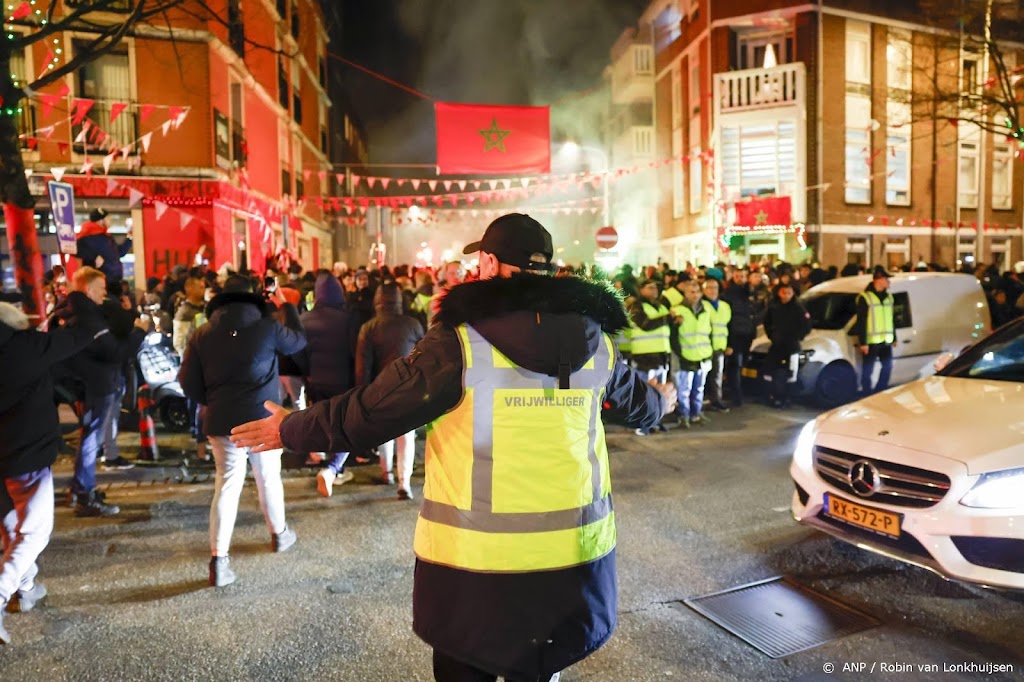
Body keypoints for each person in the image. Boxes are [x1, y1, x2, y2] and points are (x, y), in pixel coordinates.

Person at [230, 213, 674, 682]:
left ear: (488, 263)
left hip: (474, 574)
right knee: (542, 670)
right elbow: (640, 404)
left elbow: (373, 411)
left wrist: (292, 429)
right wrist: (662, 404)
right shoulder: (596, 341)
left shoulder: (462, 343)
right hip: (571, 565)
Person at [178, 275, 307, 588]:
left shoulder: (203, 333)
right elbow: (299, 342)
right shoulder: (267, 327)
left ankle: (219, 560)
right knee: (268, 477)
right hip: (262, 418)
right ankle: (279, 534)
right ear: (254, 300)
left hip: (222, 421)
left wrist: (211, 401)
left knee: (227, 483)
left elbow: (186, 381)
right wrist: (285, 304)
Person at [0, 300, 99, 643]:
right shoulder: (26, 348)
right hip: (26, 456)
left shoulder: (24, 345)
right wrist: (77, 302)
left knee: (12, 527)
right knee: (34, 532)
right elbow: (85, 332)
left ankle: (24, 588)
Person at [51, 267, 148, 516]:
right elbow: (114, 351)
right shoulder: (88, 316)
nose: (104, 294)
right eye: (101, 289)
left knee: (90, 436)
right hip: (98, 382)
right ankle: (85, 494)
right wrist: (139, 332)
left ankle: (80, 489)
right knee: (92, 437)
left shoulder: (74, 310)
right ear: (88, 289)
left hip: (87, 380)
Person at [355, 282, 425, 498]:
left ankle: (387, 472)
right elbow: (424, 357)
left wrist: (362, 393)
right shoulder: (413, 325)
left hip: (380, 387)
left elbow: (362, 365)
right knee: (407, 435)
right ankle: (404, 482)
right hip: (409, 388)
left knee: (384, 433)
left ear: (377, 302)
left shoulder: (369, 327)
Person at [302, 273, 360, 497]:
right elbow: (355, 351)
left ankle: (330, 464)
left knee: (325, 422)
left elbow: (300, 353)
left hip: (316, 381)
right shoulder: (348, 319)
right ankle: (333, 469)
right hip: (342, 381)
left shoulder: (305, 319)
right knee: (345, 426)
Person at [172, 276, 209, 461]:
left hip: (207, 362)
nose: (204, 289)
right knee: (197, 405)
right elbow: (179, 342)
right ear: (189, 289)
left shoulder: (203, 308)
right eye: (200, 286)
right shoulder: (184, 312)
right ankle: (199, 443)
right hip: (195, 365)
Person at [629, 280, 672, 435]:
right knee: (643, 392)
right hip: (644, 356)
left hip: (660, 356)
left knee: (659, 391)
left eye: (655, 288)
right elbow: (645, 325)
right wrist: (667, 318)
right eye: (650, 287)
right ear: (641, 290)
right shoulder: (636, 306)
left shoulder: (660, 306)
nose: (654, 290)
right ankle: (641, 424)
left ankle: (655, 420)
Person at [763, 281, 812, 408]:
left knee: (791, 373)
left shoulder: (798, 308)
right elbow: (767, 323)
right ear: (779, 293)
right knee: (770, 370)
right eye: (783, 292)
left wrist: (797, 337)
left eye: (789, 293)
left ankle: (788, 398)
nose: (786, 295)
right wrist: (772, 336)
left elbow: (807, 325)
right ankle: (772, 396)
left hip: (792, 346)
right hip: (777, 344)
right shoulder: (774, 307)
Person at [672, 280, 713, 428]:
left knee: (699, 388)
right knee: (684, 389)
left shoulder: (706, 310)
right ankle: (684, 416)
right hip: (685, 356)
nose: (695, 295)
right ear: (685, 293)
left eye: (697, 292)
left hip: (702, 355)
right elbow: (673, 336)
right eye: (691, 292)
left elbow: (710, 332)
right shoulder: (677, 310)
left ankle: (696, 414)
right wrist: (679, 353)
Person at [853, 266, 896, 395]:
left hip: (886, 341)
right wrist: (863, 342)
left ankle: (880, 391)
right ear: (879, 280)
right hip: (871, 342)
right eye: (887, 279)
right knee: (868, 370)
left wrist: (894, 337)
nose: (889, 282)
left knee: (887, 367)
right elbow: (861, 321)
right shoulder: (865, 298)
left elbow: (892, 319)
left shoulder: (889, 297)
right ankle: (867, 393)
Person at [721, 268, 756, 407]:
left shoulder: (748, 293)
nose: (741, 279)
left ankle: (738, 392)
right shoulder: (729, 294)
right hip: (735, 334)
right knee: (735, 365)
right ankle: (736, 395)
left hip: (746, 333)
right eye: (738, 276)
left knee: (740, 365)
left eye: (743, 276)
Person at [75, 208, 131, 282]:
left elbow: (119, 253)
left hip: (114, 281)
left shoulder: (107, 237)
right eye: (108, 218)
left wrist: (129, 238)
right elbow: (75, 250)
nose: (110, 221)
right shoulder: (88, 236)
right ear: (101, 220)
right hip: (100, 281)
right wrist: (94, 256)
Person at [702, 277, 731, 412]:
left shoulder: (725, 306)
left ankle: (716, 400)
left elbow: (728, 327)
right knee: (702, 377)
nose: (712, 291)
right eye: (709, 287)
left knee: (717, 376)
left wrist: (729, 345)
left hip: (719, 347)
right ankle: (701, 401)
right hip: (702, 347)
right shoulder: (701, 305)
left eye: (715, 288)